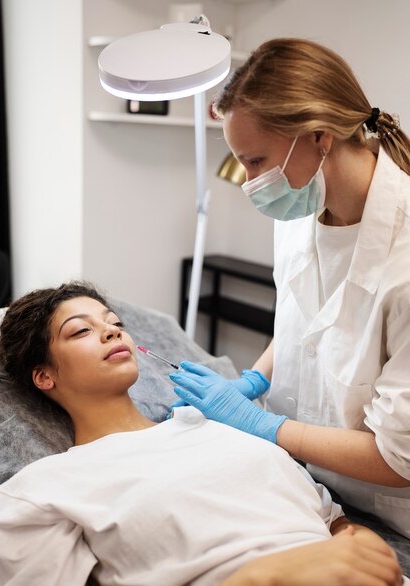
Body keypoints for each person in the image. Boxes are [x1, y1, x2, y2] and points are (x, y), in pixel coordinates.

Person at [0, 282, 407, 586]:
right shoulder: (40, 490)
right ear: (44, 376)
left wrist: (373, 572)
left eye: (115, 323)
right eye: (81, 331)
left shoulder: (227, 427)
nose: (113, 332)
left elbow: (338, 525)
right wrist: (262, 581)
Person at [169, 37, 410, 542]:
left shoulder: (403, 257)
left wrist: (262, 427)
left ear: (319, 136)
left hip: (389, 512)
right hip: (303, 485)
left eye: (255, 161)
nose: (249, 181)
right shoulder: (302, 204)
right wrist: (255, 381)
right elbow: (305, 319)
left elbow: (400, 457)